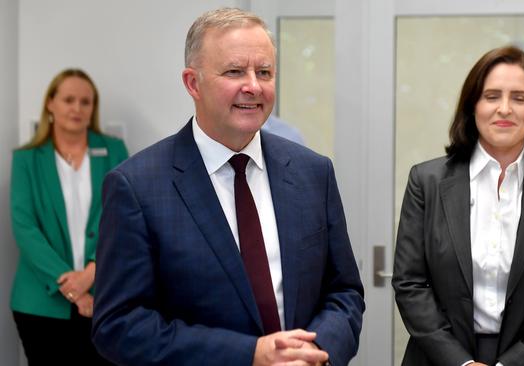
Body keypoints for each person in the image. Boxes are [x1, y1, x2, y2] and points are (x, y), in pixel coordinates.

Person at [92, 8, 364, 366]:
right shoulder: (137, 187)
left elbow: (343, 292)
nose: (253, 85)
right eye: (235, 71)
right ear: (193, 83)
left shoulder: (314, 173)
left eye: (264, 72)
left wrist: (314, 353)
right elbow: (119, 326)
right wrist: (249, 355)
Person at [392, 46, 524, 366]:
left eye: (519, 97)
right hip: (442, 358)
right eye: (491, 96)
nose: (505, 109)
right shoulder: (426, 181)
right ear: (472, 106)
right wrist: (461, 363)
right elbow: (409, 283)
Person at [10, 68, 128, 365]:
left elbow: (125, 220)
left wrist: (92, 273)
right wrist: (73, 289)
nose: (77, 108)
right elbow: (25, 228)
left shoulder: (114, 151)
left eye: (85, 102)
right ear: (50, 103)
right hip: (40, 304)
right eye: (68, 99)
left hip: (104, 300)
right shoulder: (26, 160)